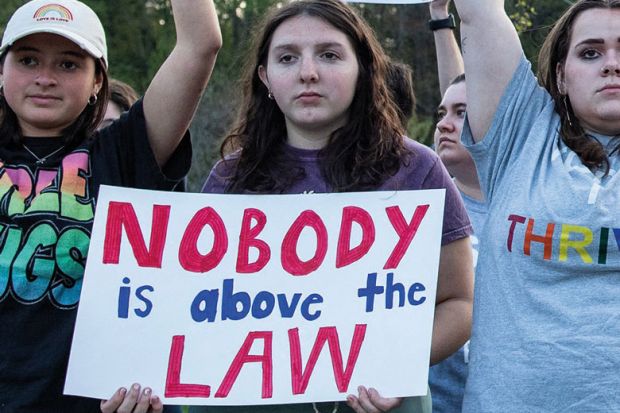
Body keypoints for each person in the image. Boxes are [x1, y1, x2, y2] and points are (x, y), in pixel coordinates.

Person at [196, 1, 474, 412]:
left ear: (362, 68)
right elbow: (192, 311)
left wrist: (395, 367)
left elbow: (460, 303)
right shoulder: (227, 180)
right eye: (287, 58)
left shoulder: (417, 170)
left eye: (329, 55)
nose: (308, 72)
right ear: (265, 78)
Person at [0, 0, 221, 411]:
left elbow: (200, 45)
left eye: (68, 65)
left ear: (98, 82)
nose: (45, 78)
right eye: (28, 60)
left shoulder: (122, 153)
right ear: (1, 71)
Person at [447, 0, 620, 411]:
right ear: (560, 76)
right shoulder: (518, 132)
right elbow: (477, 10)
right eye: (590, 52)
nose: (611, 65)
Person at [426, 1, 486, 412]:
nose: (444, 123)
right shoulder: (420, 209)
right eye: (440, 114)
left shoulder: (525, 202)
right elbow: (460, 88)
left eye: (460, 114)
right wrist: (437, 15)